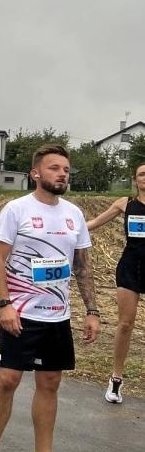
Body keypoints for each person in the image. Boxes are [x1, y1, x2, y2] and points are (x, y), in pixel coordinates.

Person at [0, 143, 99, 452]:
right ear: (36, 173)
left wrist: (91, 311)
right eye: (54, 168)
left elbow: (82, 265)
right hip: (21, 313)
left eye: (65, 168)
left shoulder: (73, 214)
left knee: (50, 383)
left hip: (57, 316)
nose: (62, 173)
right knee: (8, 380)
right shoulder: (16, 210)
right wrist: (5, 304)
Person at [85, 160, 145, 404]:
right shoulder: (125, 204)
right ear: (135, 179)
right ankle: (116, 379)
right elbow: (94, 223)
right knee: (125, 325)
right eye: (142, 174)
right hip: (130, 268)